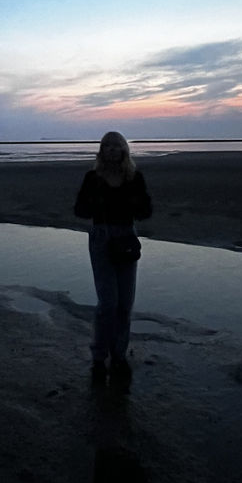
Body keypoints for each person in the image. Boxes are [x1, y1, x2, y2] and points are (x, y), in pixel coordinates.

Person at [74, 131, 153, 384]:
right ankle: (99, 356)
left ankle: (119, 355)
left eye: (115, 146)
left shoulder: (134, 178)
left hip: (126, 238)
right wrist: (95, 202)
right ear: (101, 151)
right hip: (101, 238)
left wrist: (133, 203)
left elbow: (146, 211)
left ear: (123, 150)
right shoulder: (92, 178)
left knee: (124, 304)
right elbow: (80, 210)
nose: (110, 150)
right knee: (107, 302)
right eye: (106, 146)